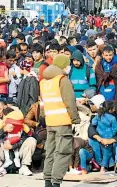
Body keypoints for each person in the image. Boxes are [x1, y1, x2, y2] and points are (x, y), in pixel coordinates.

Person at [40, 55, 80, 187]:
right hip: (63, 122)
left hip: (50, 122)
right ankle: (56, 182)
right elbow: (70, 102)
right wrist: (75, 118)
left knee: (50, 152)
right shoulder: (63, 80)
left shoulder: (44, 81)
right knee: (62, 152)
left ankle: (48, 181)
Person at [90, 100, 117, 172]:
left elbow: (93, 123)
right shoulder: (112, 118)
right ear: (110, 109)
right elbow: (115, 129)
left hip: (100, 137)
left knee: (102, 152)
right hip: (109, 138)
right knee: (107, 152)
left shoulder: (99, 115)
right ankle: (103, 167)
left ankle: (102, 165)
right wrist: (112, 136)